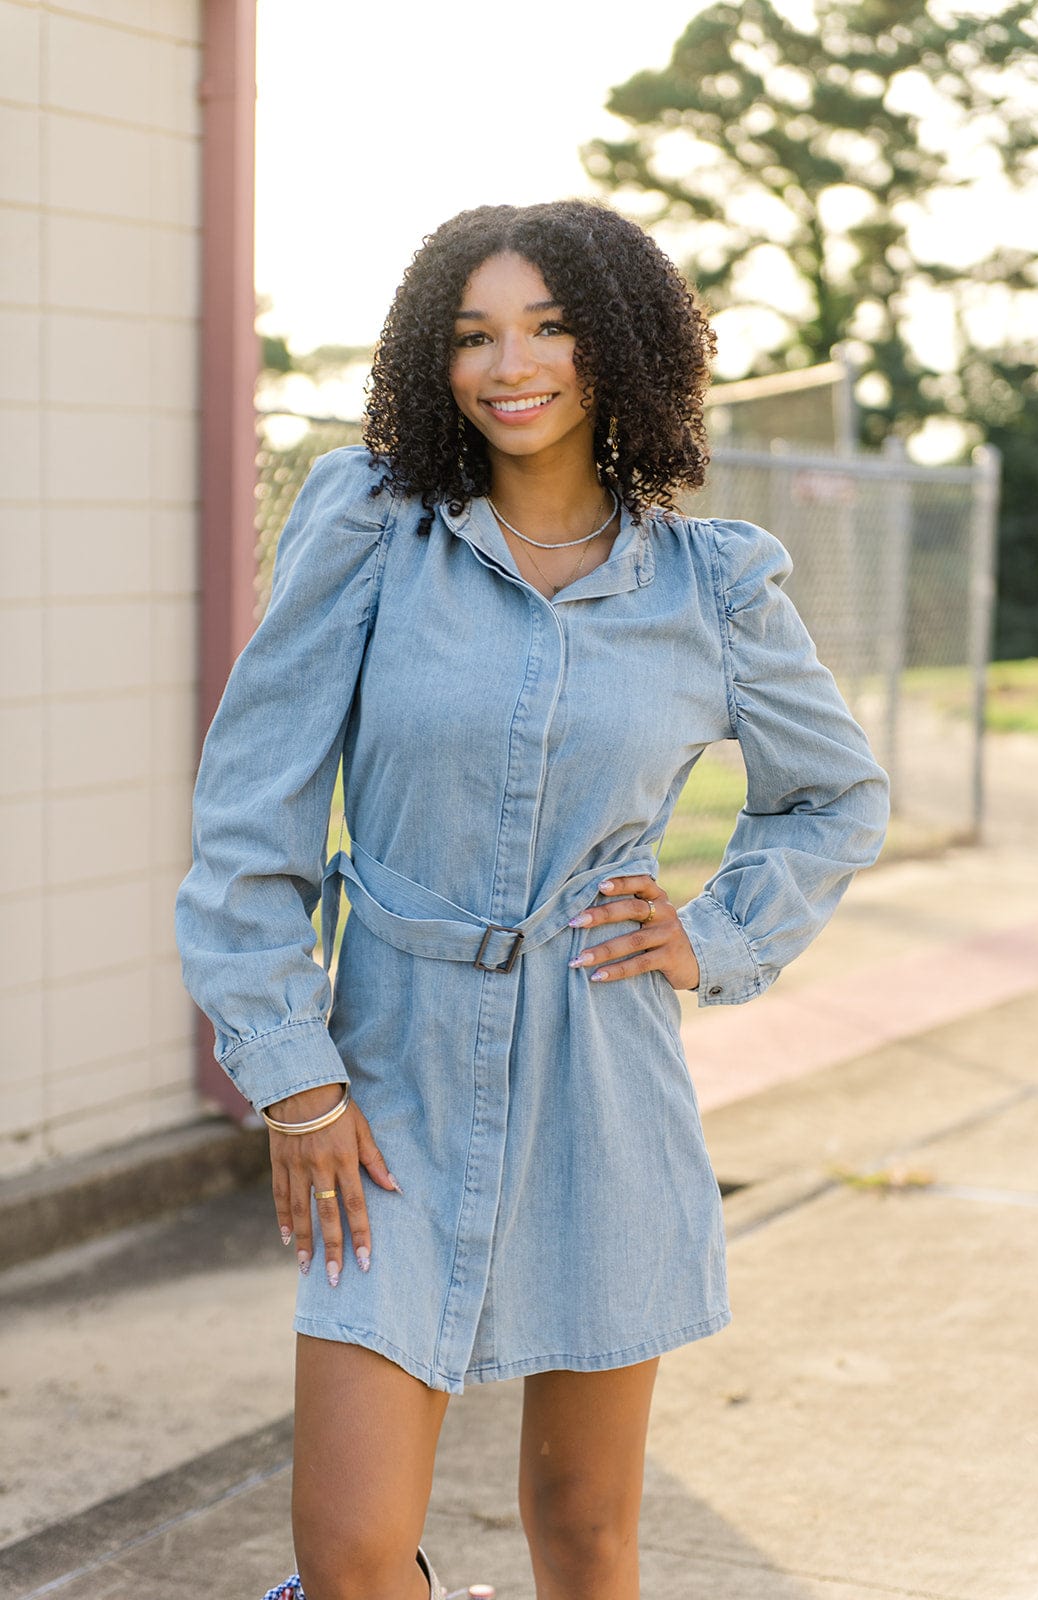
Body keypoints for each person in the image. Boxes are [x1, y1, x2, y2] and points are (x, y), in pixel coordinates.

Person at [175, 199, 890, 1600]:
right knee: (352, 1555)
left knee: (586, 1533)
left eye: (550, 328)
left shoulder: (715, 585)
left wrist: (715, 933)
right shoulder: (372, 525)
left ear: (616, 347)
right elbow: (250, 811)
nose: (510, 365)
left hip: (602, 1083)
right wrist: (295, 1081)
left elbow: (836, 795)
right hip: (389, 1077)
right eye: (473, 335)